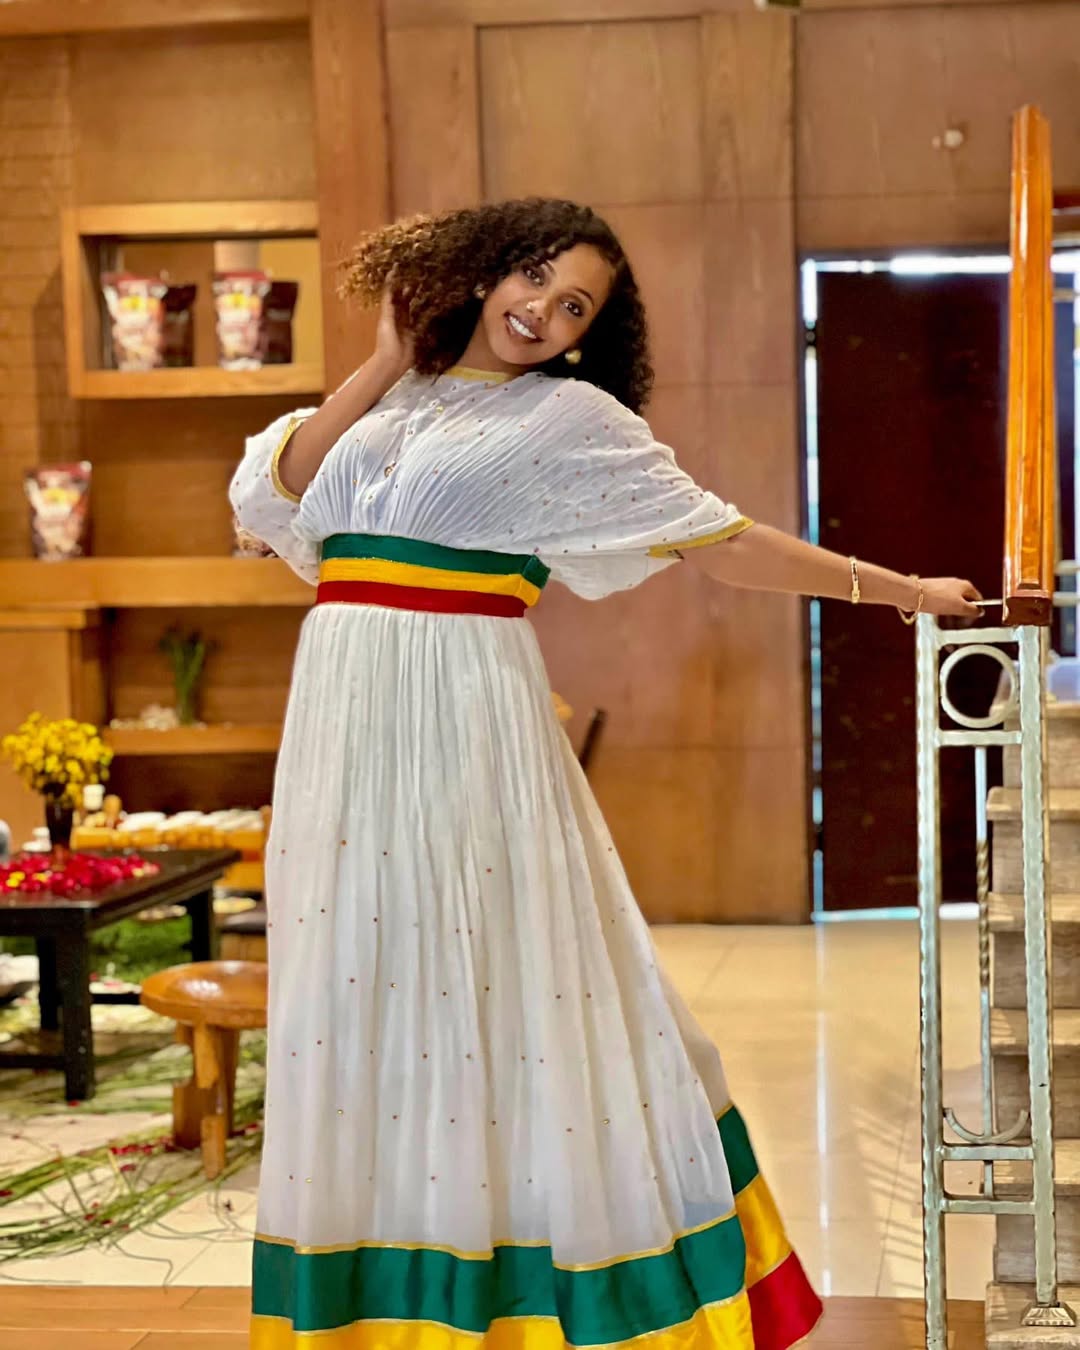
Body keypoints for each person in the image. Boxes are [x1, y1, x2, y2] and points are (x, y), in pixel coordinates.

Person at [231, 197, 981, 1350]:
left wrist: (901, 591)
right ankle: (385, 1317)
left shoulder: (571, 420)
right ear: (484, 275)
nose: (541, 309)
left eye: (573, 304)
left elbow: (726, 547)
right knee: (357, 991)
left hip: (465, 719)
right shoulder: (390, 400)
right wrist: (381, 361)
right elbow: (264, 509)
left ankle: (561, 1300)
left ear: (587, 337)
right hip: (340, 731)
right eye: (531, 278)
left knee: (508, 984)